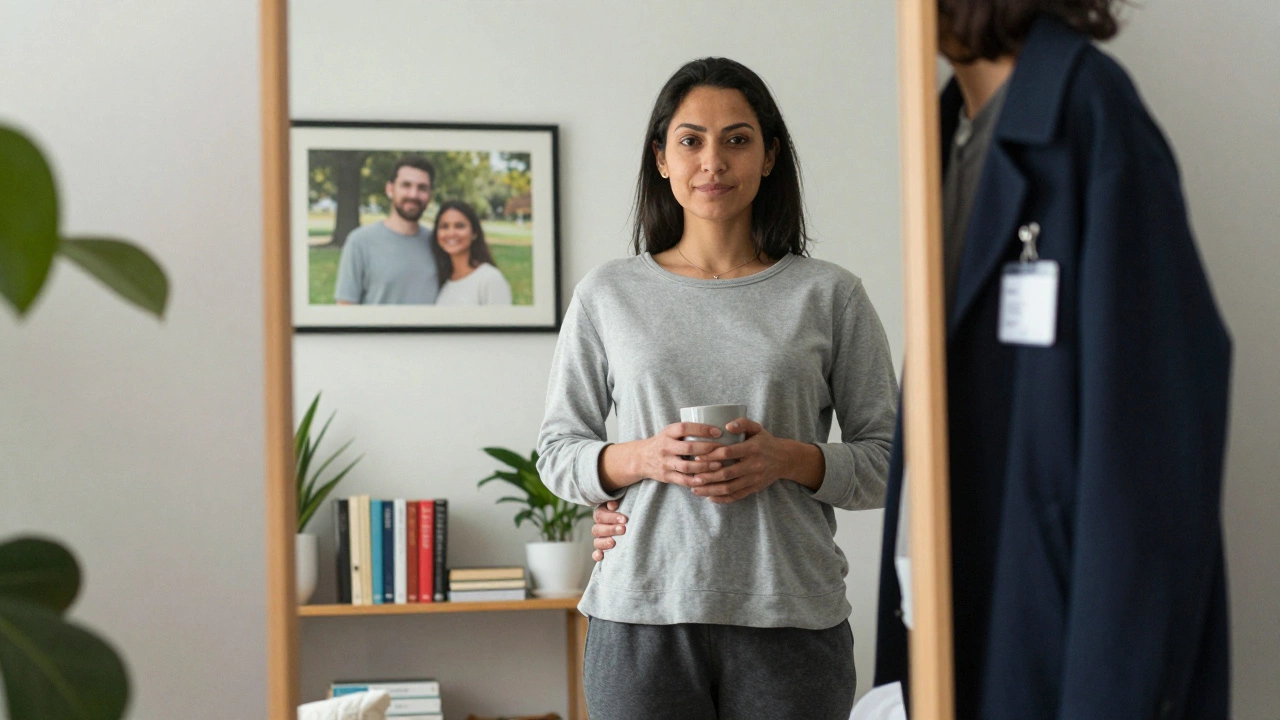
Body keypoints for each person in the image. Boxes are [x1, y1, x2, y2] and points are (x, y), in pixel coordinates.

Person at [536, 57, 899, 720]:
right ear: (661, 158)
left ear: (768, 157)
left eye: (737, 139)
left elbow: (890, 461)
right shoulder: (608, 295)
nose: (713, 161)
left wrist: (788, 458)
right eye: (690, 140)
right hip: (640, 621)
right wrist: (642, 459)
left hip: (792, 620)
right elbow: (558, 452)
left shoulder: (830, 296)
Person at [334, 155, 440, 304]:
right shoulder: (360, 241)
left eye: (422, 188)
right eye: (406, 185)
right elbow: (345, 305)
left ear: (430, 195)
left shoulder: (438, 243)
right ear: (390, 189)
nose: (413, 194)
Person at [431, 199, 513, 306]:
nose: (451, 233)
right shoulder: (444, 282)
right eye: (444, 226)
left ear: (474, 233)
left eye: (459, 226)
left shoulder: (489, 279)